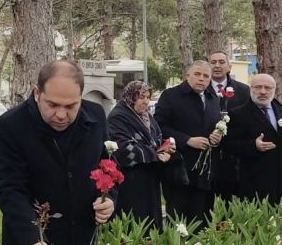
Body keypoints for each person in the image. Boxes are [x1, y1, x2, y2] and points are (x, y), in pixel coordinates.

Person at [0, 60, 115, 245]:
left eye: (70, 106)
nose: (61, 115)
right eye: (52, 105)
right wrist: (32, 239)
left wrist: (109, 200)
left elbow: (109, 168)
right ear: (36, 93)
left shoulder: (96, 117)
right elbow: (10, 189)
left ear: (80, 98)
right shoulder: (11, 126)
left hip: (82, 244)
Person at [154, 60, 222, 224]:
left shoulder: (212, 98)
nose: (201, 79)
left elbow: (214, 125)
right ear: (187, 75)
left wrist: (217, 136)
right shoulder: (171, 96)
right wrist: (187, 140)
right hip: (180, 171)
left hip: (205, 173)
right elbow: (159, 127)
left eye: (206, 76)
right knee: (179, 223)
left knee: (202, 221)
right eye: (197, 74)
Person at [107, 81, 175, 229]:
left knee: (151, 226)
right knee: (134, 225)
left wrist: (166, 147)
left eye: (148, 97)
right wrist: (155, 154)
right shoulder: (118, 117)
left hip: (150, 181)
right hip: (131, 183)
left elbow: (155, 140)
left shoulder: (147, 117)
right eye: (141, 97)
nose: (146, 101)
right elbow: (122, 149)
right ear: (130, 97)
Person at [224, 74, 282, 204]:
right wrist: (253, 146)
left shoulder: (279, 109)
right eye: (258, 87)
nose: (262, 91)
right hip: (255, 180)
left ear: (274, 90)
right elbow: (228, 144)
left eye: (267, 88)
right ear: (251, 89)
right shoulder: (238, 113)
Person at [208, 51, 250, 202]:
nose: (217, 65)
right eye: (213, 62)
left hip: (235, 160)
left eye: (221, 62)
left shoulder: (244, 91)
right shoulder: (200, 89)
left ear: (229, 66)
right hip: (206, 157)